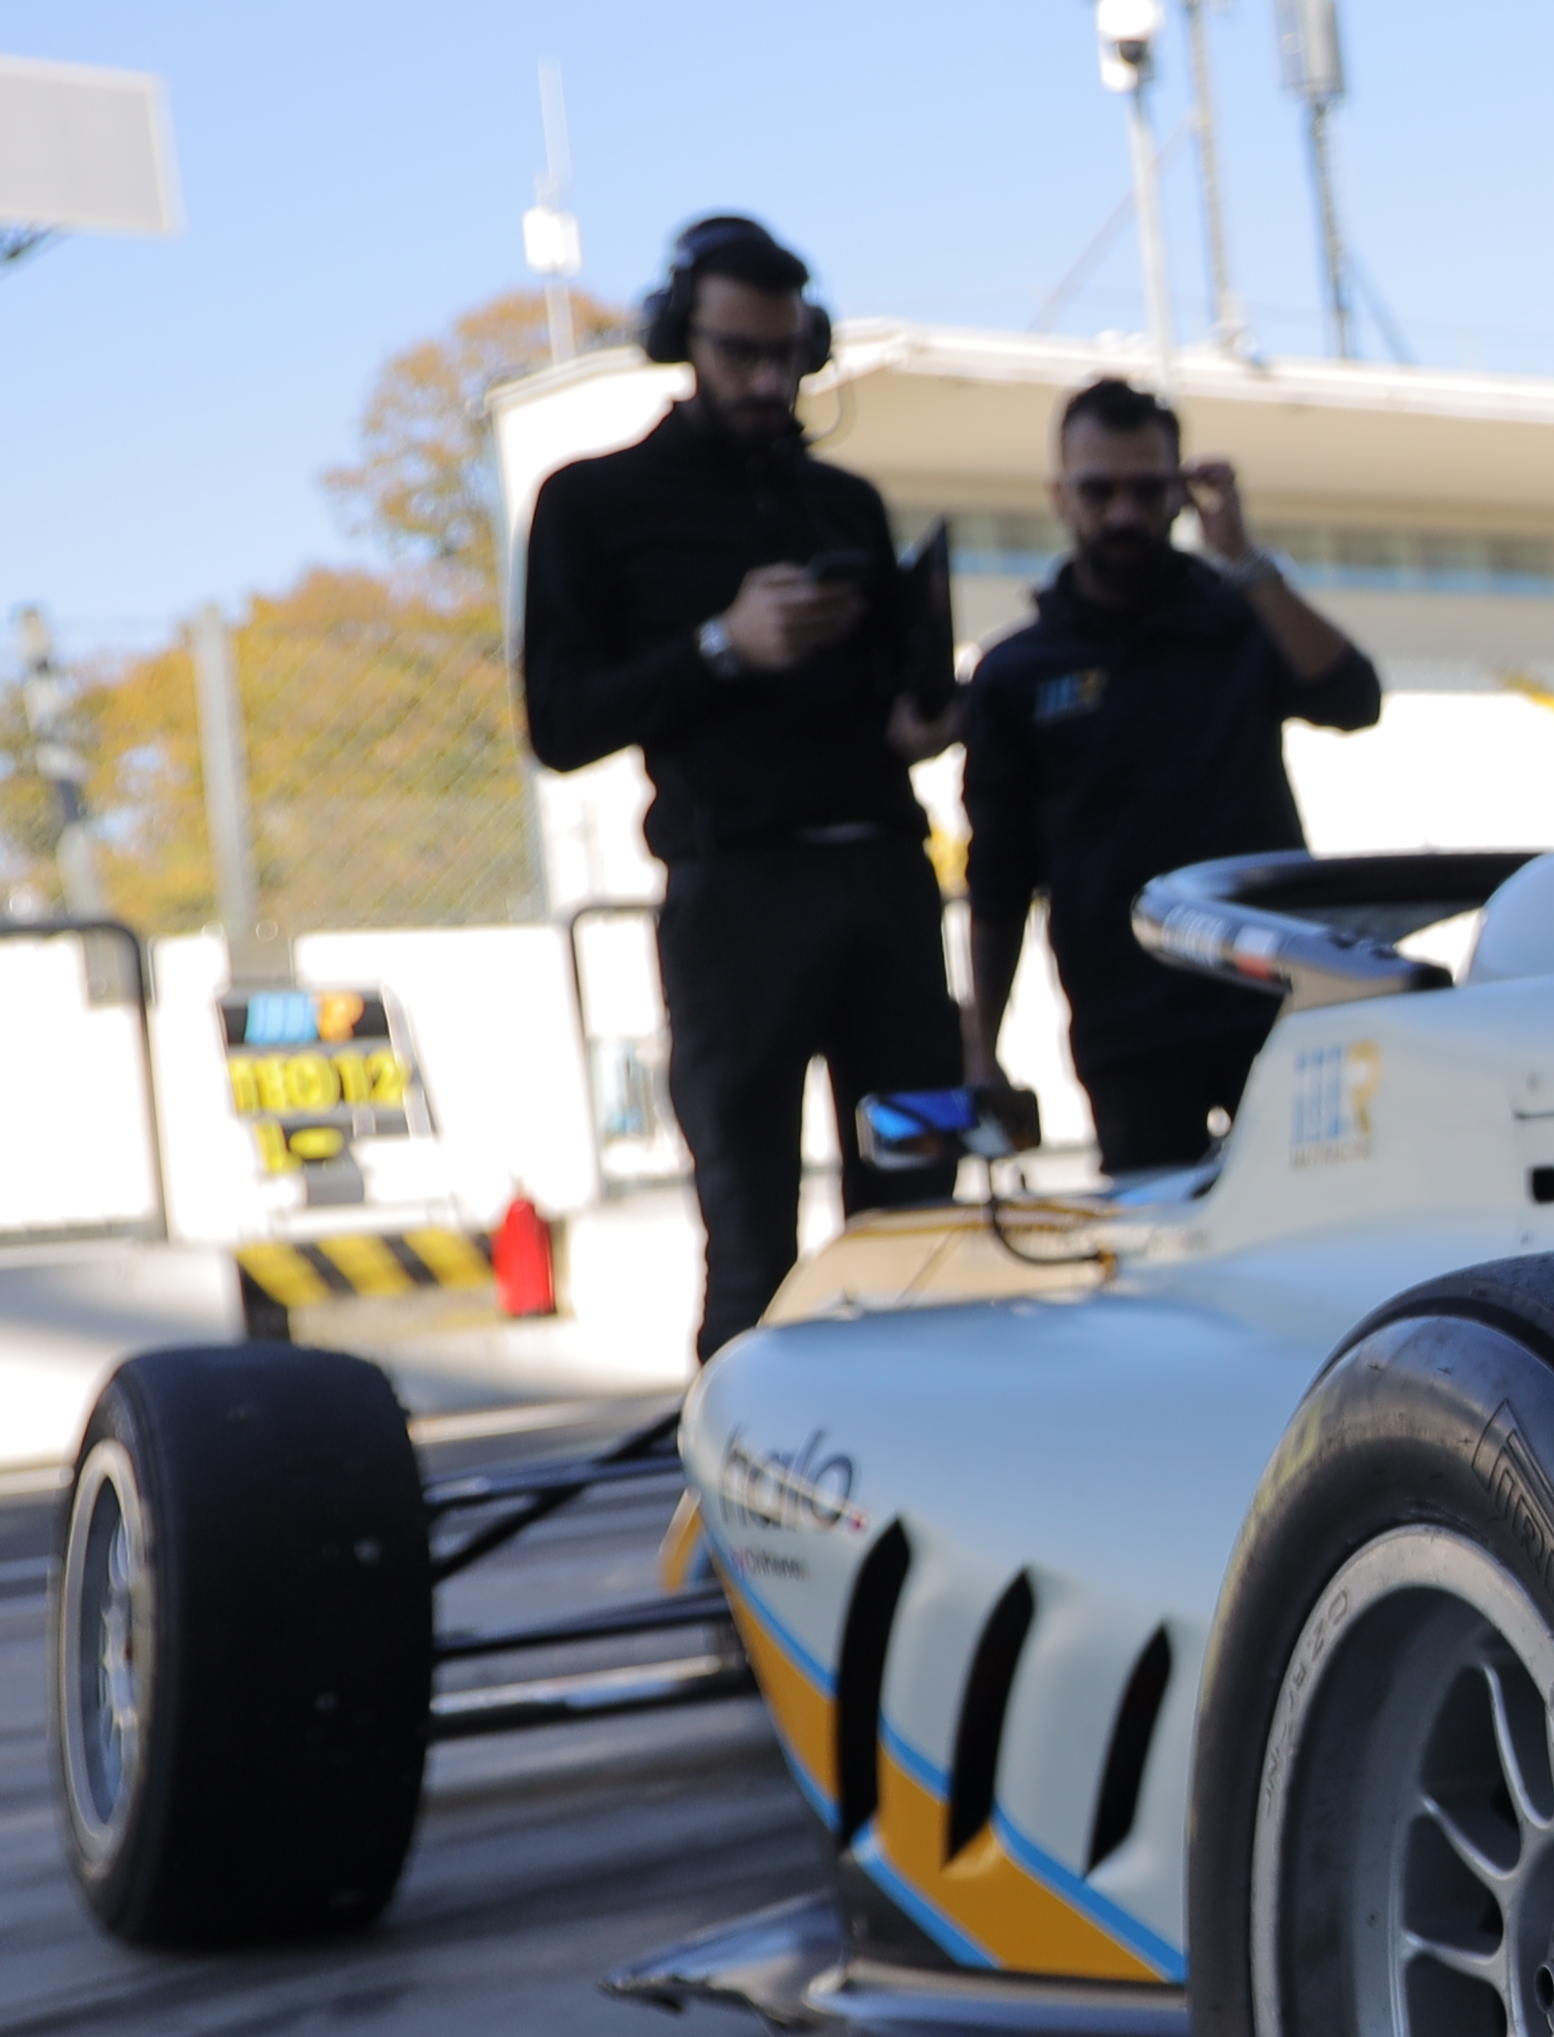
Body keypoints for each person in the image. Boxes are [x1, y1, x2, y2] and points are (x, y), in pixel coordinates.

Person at [517, 213, 967, 1352]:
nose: (768, 381)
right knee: (752, 1243)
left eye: (787, 356)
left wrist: (921, 714)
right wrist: (722, 646)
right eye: (739, 354)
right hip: (737, 903)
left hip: (886, 886)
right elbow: (560, 724)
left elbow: (896, 703)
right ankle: (743, 1465)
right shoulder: (594, 502)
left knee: (918, 1221)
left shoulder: (844, 503)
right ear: (682, 340)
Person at [955, 378, 1383, 1174]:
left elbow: (1354, 699)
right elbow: (999, 879)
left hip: (1275, 1004)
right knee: (1157, 1230)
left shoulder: (1241, 617)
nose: (1123, 513)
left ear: (1181, 493)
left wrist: (1244, 558)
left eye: (1147, 490)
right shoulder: (1014, 673)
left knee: (1313, 1217)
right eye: (1099, 490)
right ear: (1060, 495)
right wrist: (982, 1048)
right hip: (1127, 1028)